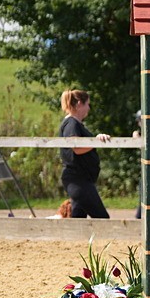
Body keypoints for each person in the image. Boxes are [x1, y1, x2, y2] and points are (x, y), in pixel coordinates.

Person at [58, 89, 112, 219]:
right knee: (102, 219)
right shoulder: (71, 123)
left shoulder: (76, 124)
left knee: (78, 218)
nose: (88, 108)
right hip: (78, 180)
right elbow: (76, 147)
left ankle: (74, 240)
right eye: (87, 104)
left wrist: (97, 139)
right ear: (79, 104)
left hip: (81, 179)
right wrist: (97, 142)